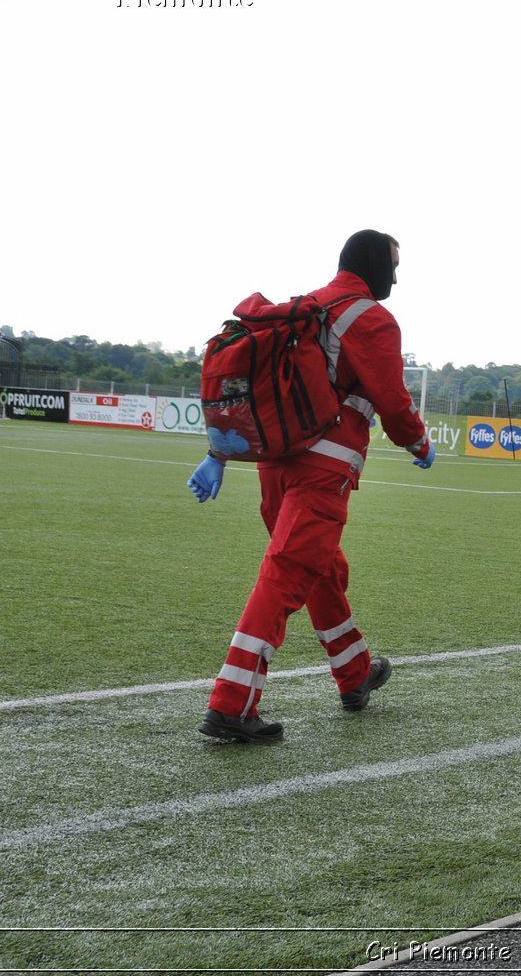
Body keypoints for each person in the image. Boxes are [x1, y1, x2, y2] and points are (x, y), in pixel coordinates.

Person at [186, 229, 436, 743]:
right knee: (287, 573)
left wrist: (219, 454)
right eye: (393, 264)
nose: (396, 275)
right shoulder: (371, 318)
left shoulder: (310, 306)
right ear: (373, 265)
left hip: (276, 461)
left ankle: (354, 673)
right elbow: (391, 398)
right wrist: (419, 444)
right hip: (324, 465)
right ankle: (231, 704)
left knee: (321, 566)